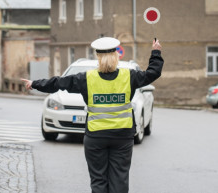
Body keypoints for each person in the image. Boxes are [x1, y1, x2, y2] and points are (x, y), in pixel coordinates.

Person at [22, 37, 164, 193]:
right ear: (116, 56)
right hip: (122, 137)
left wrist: (35, 83)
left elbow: (59, 83)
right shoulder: (128, 76)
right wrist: (156, 52)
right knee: (120, 180)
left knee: (98, 180)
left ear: (98, 57)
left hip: (96, 137)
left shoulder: (86, 78)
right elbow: (152, 73)